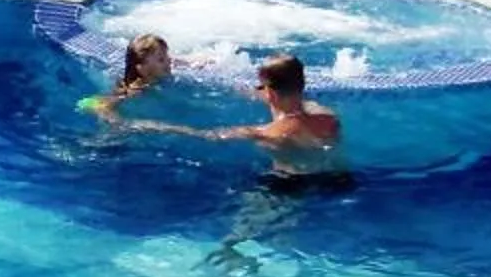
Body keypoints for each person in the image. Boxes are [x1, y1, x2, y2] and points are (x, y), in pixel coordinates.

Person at [105, 51, 346, 183]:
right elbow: (292, 103)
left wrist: (146, 125)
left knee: (235, 241)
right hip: (338, 178)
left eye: (261, 87)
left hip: (287, 185)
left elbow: (206, 136)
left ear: (270, 92)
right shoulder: (328, 117)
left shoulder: (268, 133)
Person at [80, 33, 173, 114]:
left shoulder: (155, 75)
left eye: (167, 55)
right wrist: (112, 118)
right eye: (161, 60)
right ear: (141, 68)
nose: (169, 60)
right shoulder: (136, 89)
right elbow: (86, 104)